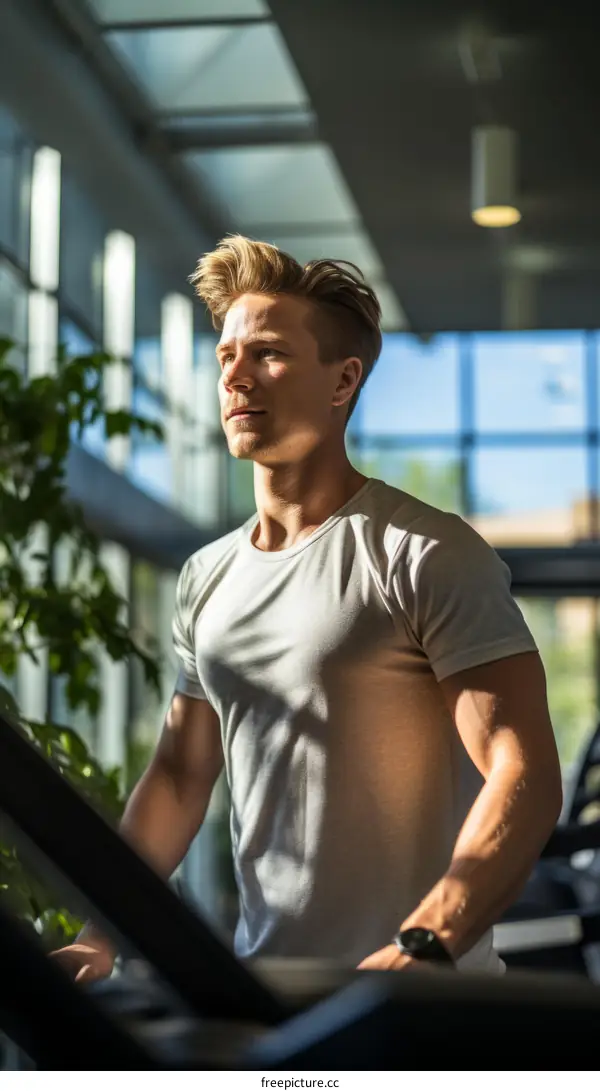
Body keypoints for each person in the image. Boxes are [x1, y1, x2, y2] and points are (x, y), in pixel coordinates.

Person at [53, 235, 562, 982]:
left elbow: (524, 772)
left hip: (421, 1001)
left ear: (342, 380)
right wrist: (101, 933)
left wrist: (431, 938)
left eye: (267, 354)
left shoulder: (424, 552)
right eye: (226, 356)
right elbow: (179, 775)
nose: (235, 376)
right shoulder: (206, 576)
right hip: (271, 993)